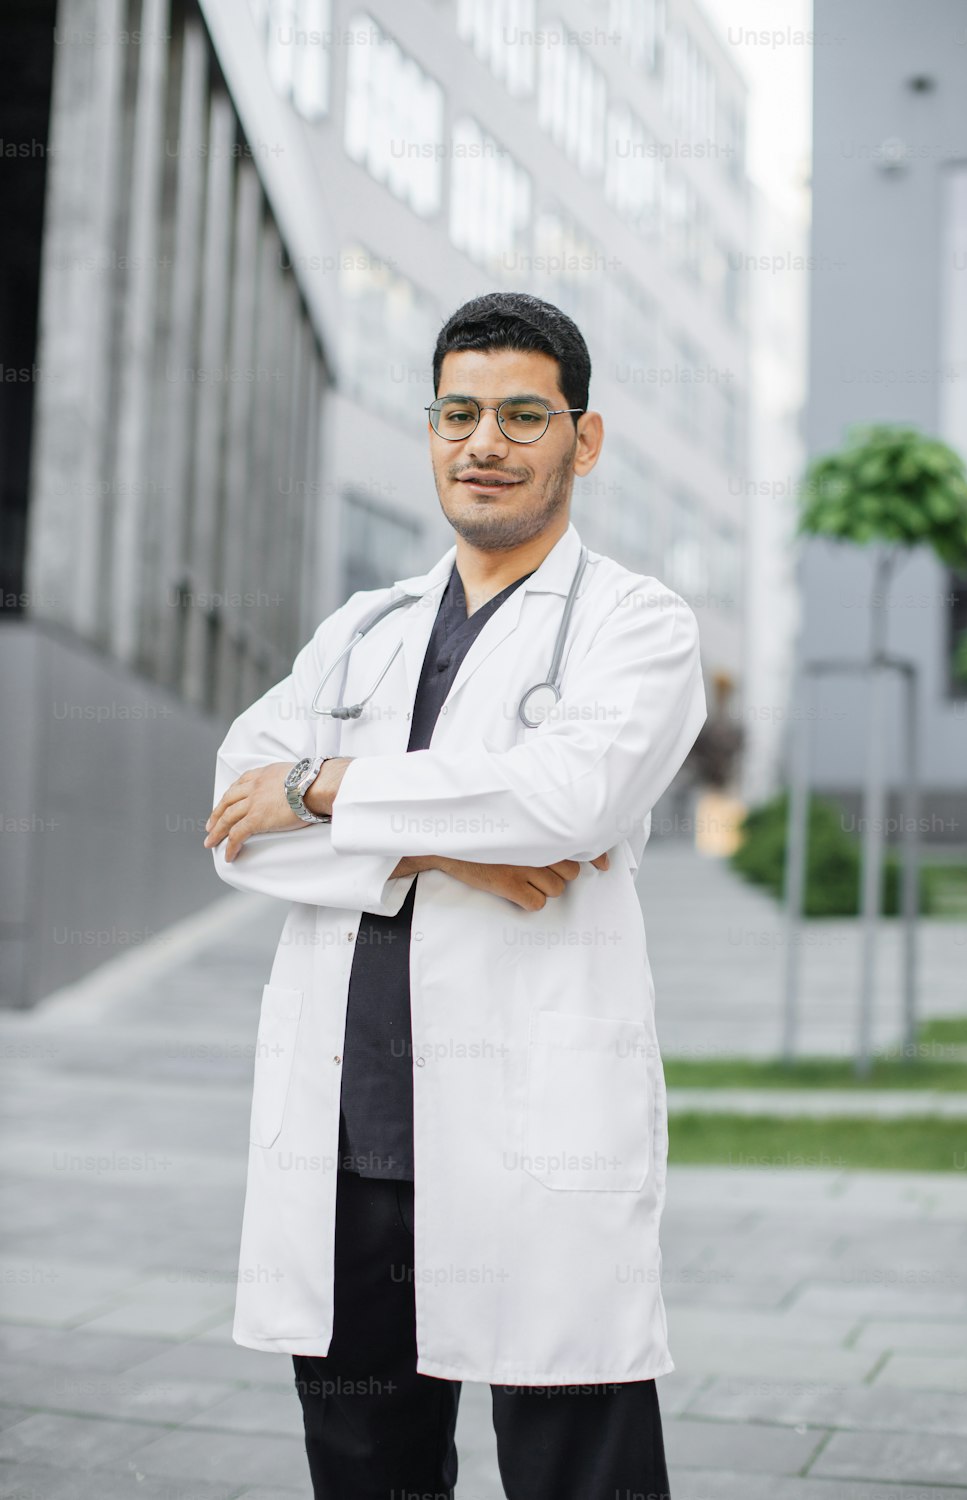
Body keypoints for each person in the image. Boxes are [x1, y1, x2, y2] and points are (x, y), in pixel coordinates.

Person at [204, 292, 707, 1500]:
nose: (485, 443)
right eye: (459, 412)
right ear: (431, 428)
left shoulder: (635, 624)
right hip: (348, 1147)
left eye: (523, 415)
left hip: (533, 1129)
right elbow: (233, 816)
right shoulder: (361, 629)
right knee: (365, 1472)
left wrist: (322, 789)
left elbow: (570, 800)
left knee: (578, 1474)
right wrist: (453, 844)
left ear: (581, 440)